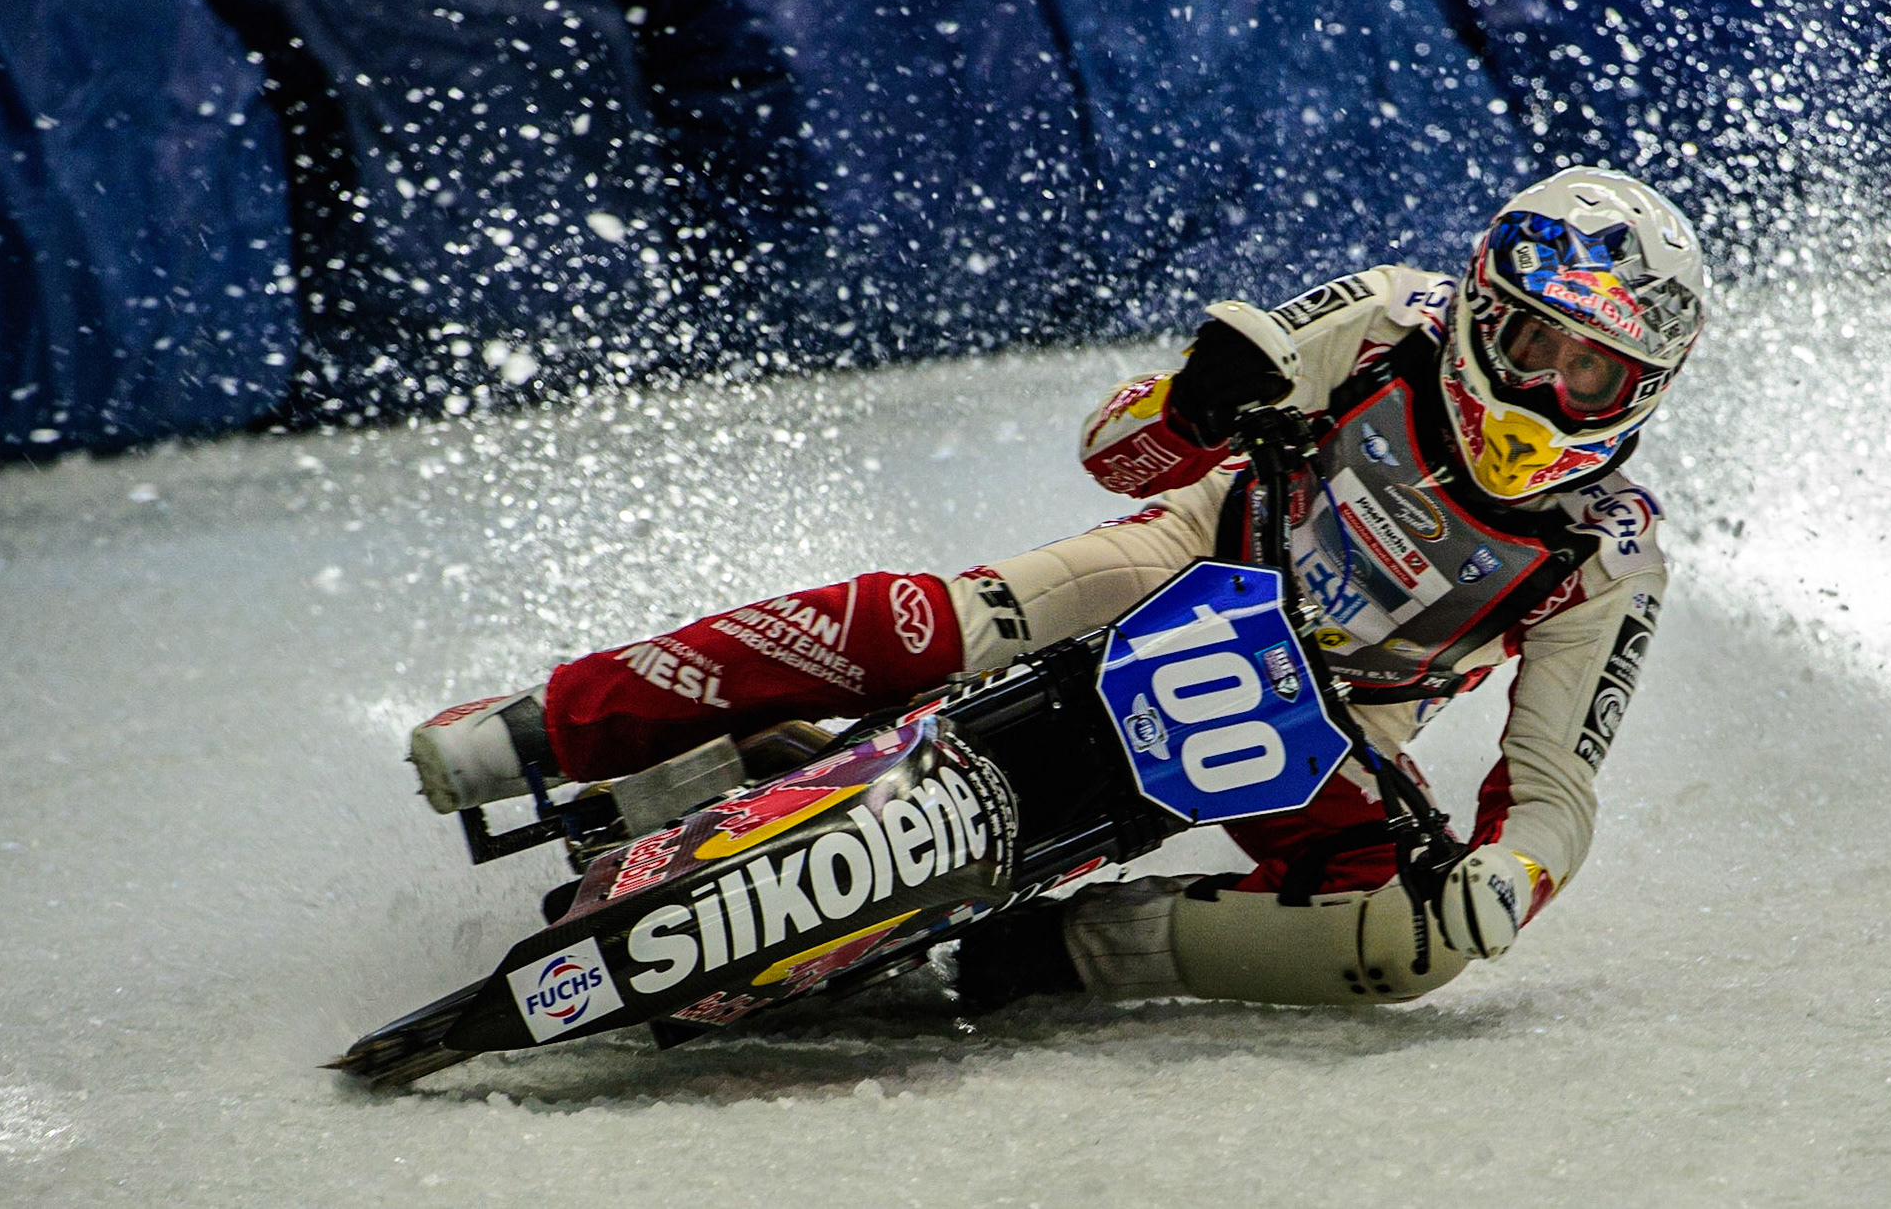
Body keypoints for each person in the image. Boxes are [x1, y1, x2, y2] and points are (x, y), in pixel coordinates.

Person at [407, 166, 1707, 1010]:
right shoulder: (1381, 320)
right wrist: (1194, 404)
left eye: (1593, 373)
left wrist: (1512, 878)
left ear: (1640, 394)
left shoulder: (1609, 554)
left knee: (1412, 944)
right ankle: (548, 723)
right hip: (1194, 554)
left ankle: (1048, 957)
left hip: (1328, 721)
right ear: (1480, 303)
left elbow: (1553, 793)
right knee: (936, 619)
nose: (1550, 392)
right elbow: (1113, 452)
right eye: (1534, 341)